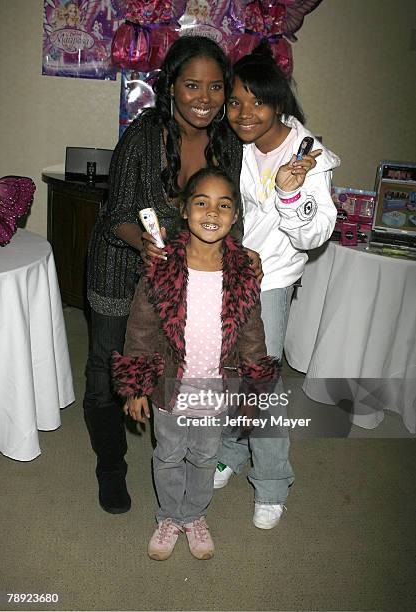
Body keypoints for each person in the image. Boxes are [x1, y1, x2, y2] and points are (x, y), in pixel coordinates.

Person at [84, 35, 246, 515]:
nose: (204, 98)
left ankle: (178, 458)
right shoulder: (143, 135)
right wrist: (148, 245)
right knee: (106, 370)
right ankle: (110, 466)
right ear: (170, 86)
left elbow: (227, 211)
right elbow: (116, 216)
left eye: (216, 87)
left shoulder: (226, 142)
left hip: (182, 278)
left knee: (176, 368)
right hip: (122, 265)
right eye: (192, 84)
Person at [112, 167, 278, 560]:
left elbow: (253, 333)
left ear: (235, 216)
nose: (212, 211)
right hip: (171, 387)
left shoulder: (242, 273)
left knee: (205, 456)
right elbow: (140, 330)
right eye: (201, 202)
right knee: (169, 454)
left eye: (224, 205)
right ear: (185, 210)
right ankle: (170, 516)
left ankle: (195, 515)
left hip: (217, 390)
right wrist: (136, 387)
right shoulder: (163, 266)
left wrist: (255, 391)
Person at [213, 41, 341, 529]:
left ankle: (272, 482)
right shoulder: (234, 144)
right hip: (225, 273)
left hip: (270, 283)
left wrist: (289, 192)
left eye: (257, 103)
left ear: (278, 103)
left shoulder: (308, 157)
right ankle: (231, 448)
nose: (244, 114)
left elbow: (313, 235)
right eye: (236, 102)